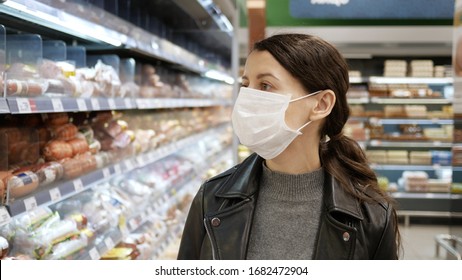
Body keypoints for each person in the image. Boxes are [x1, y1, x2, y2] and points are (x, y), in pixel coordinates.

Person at [177, 33, 401, 260]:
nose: (247, 99)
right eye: (245, 85)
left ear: (321, 104)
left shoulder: (372, 216)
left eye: (265, 85)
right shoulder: (212, 198)